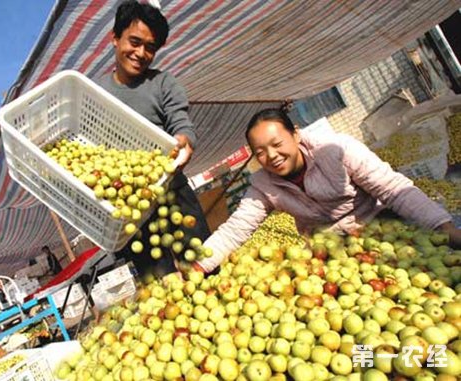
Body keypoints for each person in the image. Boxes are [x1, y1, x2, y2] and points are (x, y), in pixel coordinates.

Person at [195, 107, 461, 273]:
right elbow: (235, 229)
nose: (272, 156)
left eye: (277, 144)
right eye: (260, 152)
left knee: (427, 265)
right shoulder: (264, 185)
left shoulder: (336, 150)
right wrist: (198, 266)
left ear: (296, 135)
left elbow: (393, 188)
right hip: (330, 247)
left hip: (380, 223)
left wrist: (443, 226)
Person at [95, 0, 210, 277]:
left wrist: (184, 141)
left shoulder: (162, 84)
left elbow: (181, 123)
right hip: (131, 210)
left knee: (203, 271)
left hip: (173, 193)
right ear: (114, 38)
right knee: (161, 285)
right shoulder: (95, 94)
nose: (141, 53)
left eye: (150, 47)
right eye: (134, 42)